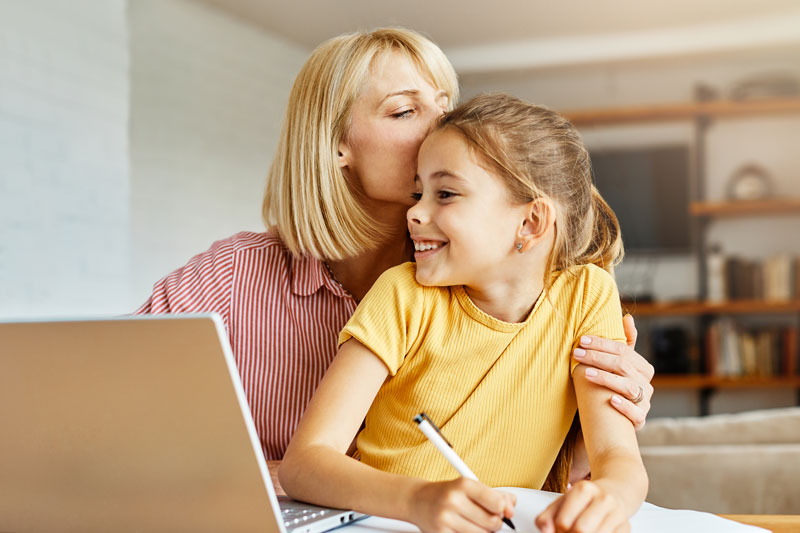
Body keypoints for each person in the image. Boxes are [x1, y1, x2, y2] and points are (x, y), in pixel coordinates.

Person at [135, 28, 654, 473]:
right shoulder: (233, 276)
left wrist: (609, 411)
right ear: (337, 144)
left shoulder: (504, 276)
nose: (440, 128)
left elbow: (546, 465)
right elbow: (106, 402)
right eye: (405, 111)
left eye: (444, 107)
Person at [279, 93, 648, 533]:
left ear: (530, 223)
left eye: (446, 194)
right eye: (419, 192)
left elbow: (618, 457)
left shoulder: (588, 296)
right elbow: (304, 462)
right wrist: (417, 500)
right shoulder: (402, 294)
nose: (415, 212)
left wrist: (609, 499)